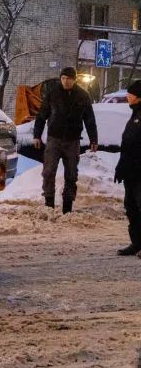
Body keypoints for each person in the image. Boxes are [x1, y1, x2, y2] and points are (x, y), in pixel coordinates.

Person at [33, 67, 98, 214]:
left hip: (72, 140)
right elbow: (42, 116)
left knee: (71, 174)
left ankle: (67, 206)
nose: (65, 81)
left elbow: (89, 119)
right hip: (54, 139)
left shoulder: (82, 96)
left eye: (68, 79)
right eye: (63, 78)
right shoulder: (53, 94)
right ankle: (49, 203)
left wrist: (94, 139)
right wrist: (37, 135)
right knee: (48, 171)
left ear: (74, 80)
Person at [114, 80, 141, 256]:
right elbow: (128, 144)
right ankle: (137, 243)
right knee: (131, 207)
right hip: (131, 171)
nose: (127, 96)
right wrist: (121, 167)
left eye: (130, 94)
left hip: (139, 171)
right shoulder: (135, 115)